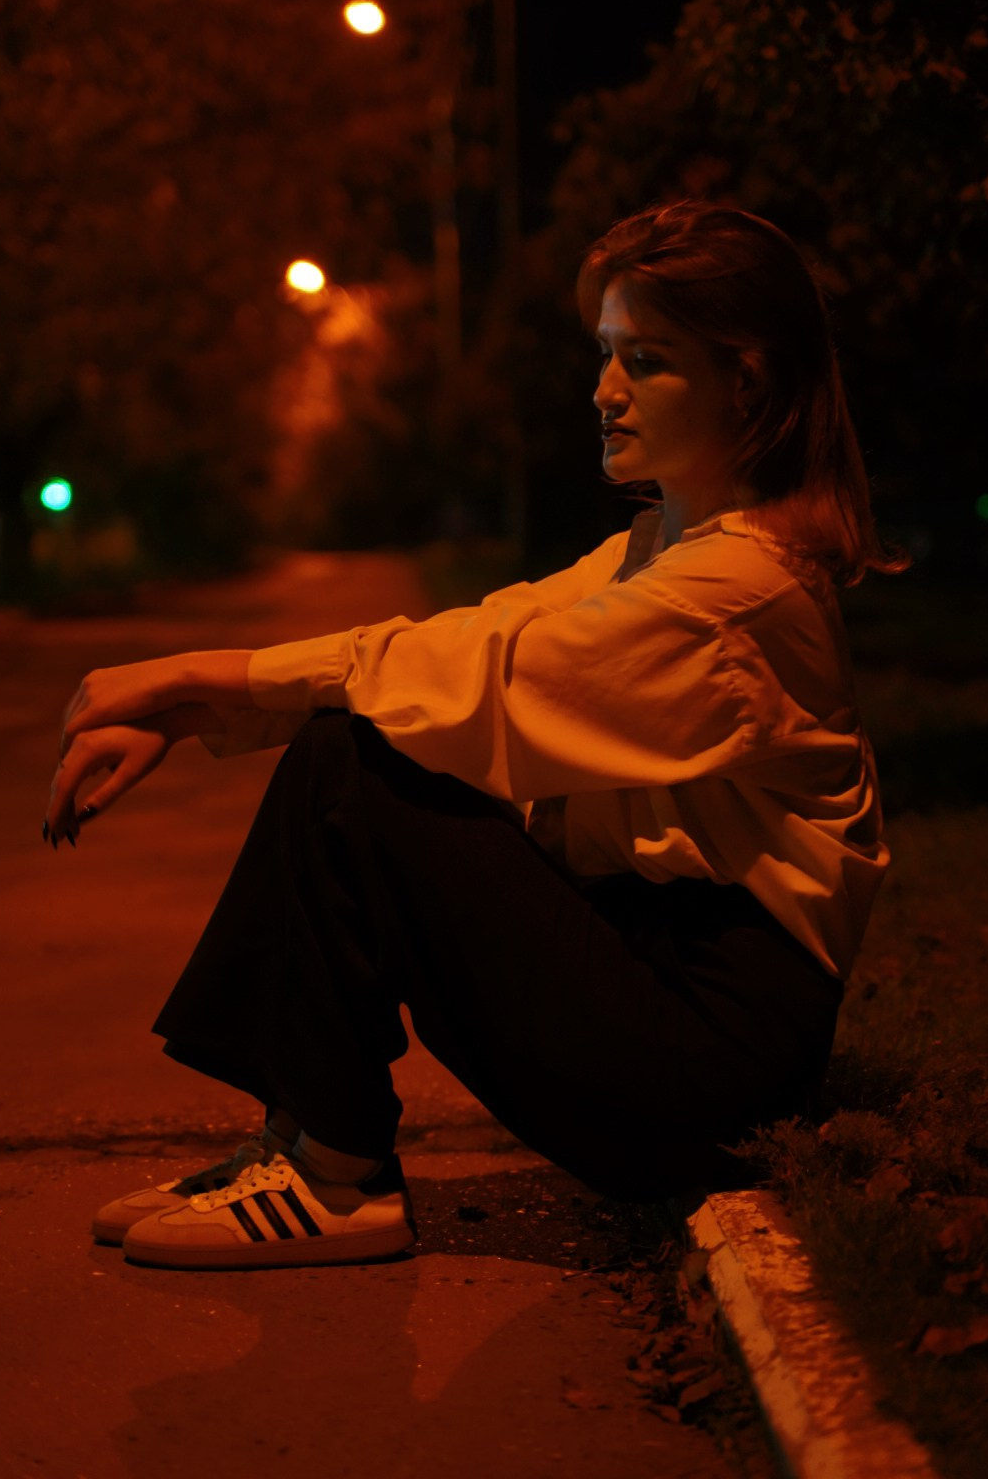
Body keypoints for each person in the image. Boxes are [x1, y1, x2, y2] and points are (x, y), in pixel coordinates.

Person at [45, 199, 903, 1271]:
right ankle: (306, 1141)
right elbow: (470, 638)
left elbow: (479, 677)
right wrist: (183, 715)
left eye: (647, 361)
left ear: (748, 381)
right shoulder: (663, 548)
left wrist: (184, 676)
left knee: (358, 764)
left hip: (715, 1065)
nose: (605, 390)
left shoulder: (742, 589)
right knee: (359, 741)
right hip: (659, 990)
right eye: (606, 354)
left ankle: (338, 1175)